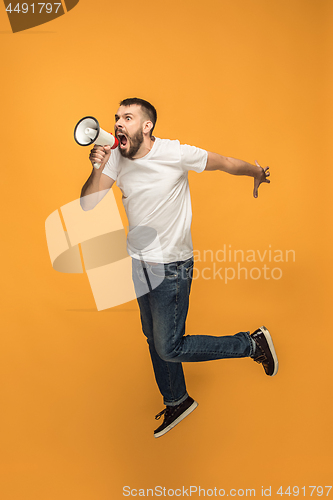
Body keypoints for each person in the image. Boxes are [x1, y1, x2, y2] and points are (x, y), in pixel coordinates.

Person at [80, 97, 278, 438]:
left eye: (127, 117)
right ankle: (177, 399)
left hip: (171, 267)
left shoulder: (174, 153)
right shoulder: (115, 159)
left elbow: (225, 162)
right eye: (116, 117)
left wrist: (256, 173)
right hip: (139, 263)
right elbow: (87, 204)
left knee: (168, 346)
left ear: (147, 126)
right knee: (152, 337)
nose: (117, 123)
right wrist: (97, 167)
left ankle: (251, 343)